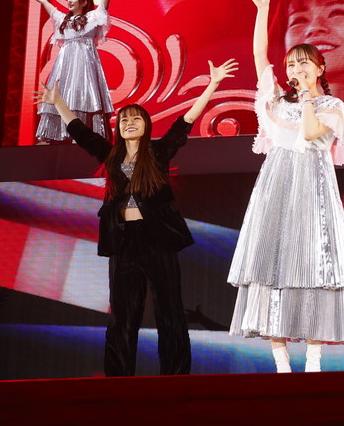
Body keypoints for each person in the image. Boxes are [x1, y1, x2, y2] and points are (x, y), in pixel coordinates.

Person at [38, 57, 237, 376]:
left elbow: (184, 123)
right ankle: (118, 378)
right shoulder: (111, 155)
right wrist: (58, 102)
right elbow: (81, 133)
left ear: (146, 125)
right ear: (118, 127)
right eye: (124, 119)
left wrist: (213, 84)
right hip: (123, 242)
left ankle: (175, 375)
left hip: (157, 240)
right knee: (122, 316)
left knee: (169, 312)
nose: (130, 122)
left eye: (136, 118)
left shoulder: (157, 154)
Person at [229, 0, 344, 373]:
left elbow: (309, 135)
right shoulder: (275, 102)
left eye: (304, 63)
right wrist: (262, 10)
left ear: (319, 68)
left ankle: (314, 359)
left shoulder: (332, 105)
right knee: (273, 266)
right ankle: (280, 360)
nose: (295, 69)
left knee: (312, 267)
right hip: (275, 186)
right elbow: (259, 56)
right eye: (291, 64)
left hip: (313, 189)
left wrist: (307, 96)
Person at [11, 0, 140, 142]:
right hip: (65, 62)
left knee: (83, 94)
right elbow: (43, 1)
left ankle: (82, 134)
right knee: (63, 93)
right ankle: (57, 134)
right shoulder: (62, 18)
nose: (70, 0)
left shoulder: (94, 16)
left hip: (85, 61)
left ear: (85, 1)